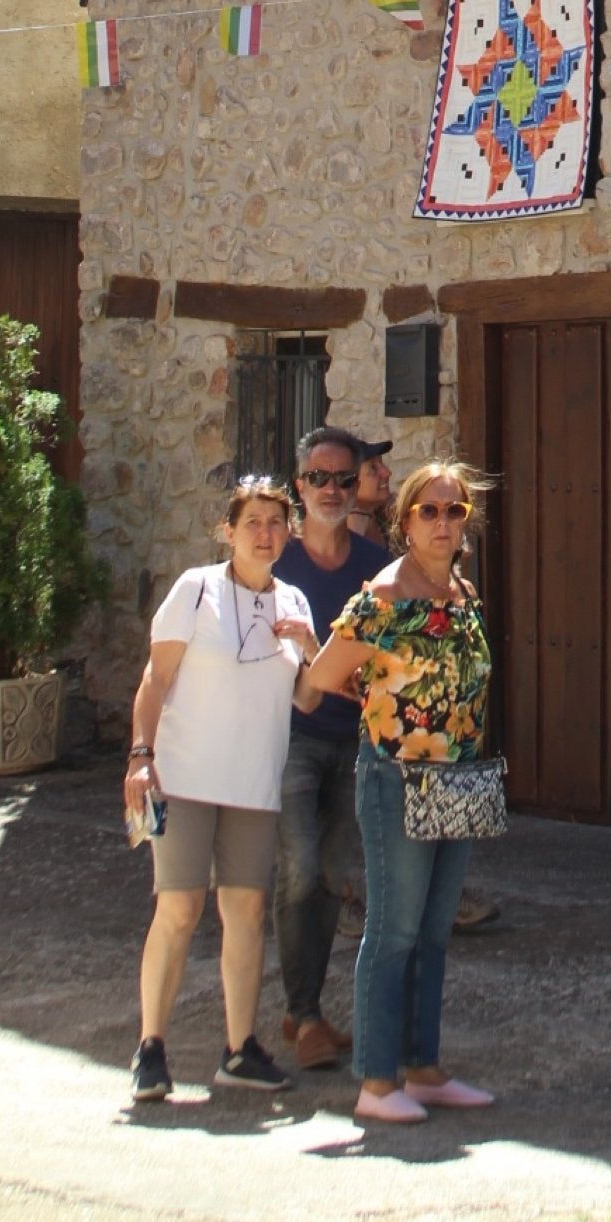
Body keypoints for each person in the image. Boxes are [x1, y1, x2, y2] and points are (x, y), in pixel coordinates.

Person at [298, 458, 495, 1125]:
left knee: (435, 931)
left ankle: (425, 1068)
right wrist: (379, 699)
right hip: (396, 777)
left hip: (459, 775)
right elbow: (325, 673)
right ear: (406, 520)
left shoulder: (462, 593)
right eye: (429, 511)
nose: (442, 523)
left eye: (454, 511)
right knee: (393, 930)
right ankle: (377, 1083)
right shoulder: (384, 597)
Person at [123, 478, 322, 1104]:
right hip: (184, 778)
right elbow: (156, 680)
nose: (265, 534)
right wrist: (140, 757)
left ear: (288, 533)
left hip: (253, 783)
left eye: (276, 523)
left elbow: (308, 697)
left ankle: (239, 1050)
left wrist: (310, 646)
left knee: (247, 914)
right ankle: (151, 1047)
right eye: (253, 522)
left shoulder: (294, 600)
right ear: (229, 531)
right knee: (178, 910)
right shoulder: (196, 589)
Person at [273, 427, 386, 1070]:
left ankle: (300, 1011)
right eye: (319, 478)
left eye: (345, 479)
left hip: (355, 741)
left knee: (330, 876)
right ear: (299, 487)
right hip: (289, 739)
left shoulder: (375, 569)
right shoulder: (275, 562)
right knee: (299, 870)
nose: (333, 490)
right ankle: (309, 1014)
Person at [346, 437, 393, 546]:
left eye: (381, 463)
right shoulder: (343, 538)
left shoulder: (384, 516)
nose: (387, 473)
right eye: (373, 468)